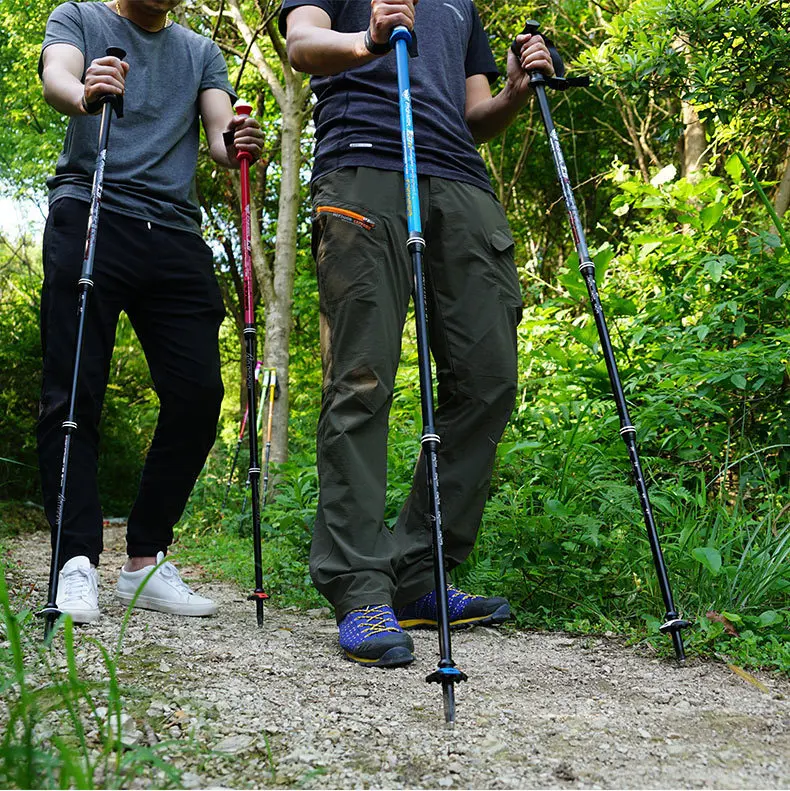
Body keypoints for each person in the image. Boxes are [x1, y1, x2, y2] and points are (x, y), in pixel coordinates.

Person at [279, 0, 556, 666]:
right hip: (364, 161)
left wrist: (516, 92)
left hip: (460, 179)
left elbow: (475, 113)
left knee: (490, 375)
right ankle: (359, 584)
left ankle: (419, 571)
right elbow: (302, 44)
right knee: (363, 377)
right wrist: (369, 39)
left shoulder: (461, 4)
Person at [38, 0, 264, 623]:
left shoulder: (199, 51)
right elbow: (59, 75)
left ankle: (144, 561)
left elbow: (220, 136)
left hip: (172, 230)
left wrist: (240, 143)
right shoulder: (79, 18)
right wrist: (85, 90)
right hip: (91, 207)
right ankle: (74, 561)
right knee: (73, 390)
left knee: (197, 395)